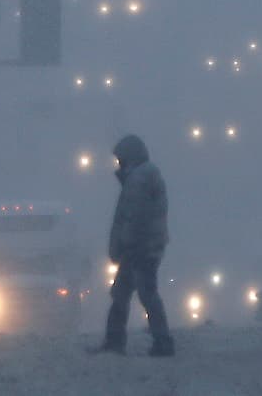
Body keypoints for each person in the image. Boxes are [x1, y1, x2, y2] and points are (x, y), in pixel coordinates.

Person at [90, 134, 175, 357]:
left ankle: (124, 341)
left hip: (138, 248)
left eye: (120, 159)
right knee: (133, 293)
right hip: (147, 245)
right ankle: (157, 340)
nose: (118, 163)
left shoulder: (138, 180)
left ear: (129, 157)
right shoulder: (147, 175)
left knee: (133, 294)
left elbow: (132, 217)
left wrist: (122, 245)